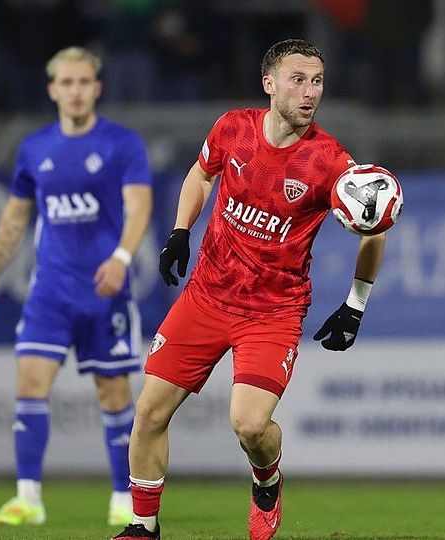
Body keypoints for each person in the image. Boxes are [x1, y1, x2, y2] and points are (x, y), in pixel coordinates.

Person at [113, 39, 387, 540]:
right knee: (149, 411)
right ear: (269, 84)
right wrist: (180, 231)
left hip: (272, 311)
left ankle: (267, 479)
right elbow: (201, 174)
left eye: (317, 82)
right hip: (207, 296)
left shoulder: (329, 162)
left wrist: (355, 305)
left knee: (250, 426)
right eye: (298, 80)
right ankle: (143, 527)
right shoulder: (232, 129)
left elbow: (375, 228)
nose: (310, 92)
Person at [0, 46, 153, 527]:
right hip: (49, 290)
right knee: (29, 383)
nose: (76, 91)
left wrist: (121, 258)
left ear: (98, 88)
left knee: (114, 393)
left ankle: (124, 498)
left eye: (84, 82)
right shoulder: (34, 149)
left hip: (104, 289)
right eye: (67, 83)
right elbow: (15, 218)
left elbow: (139, 207)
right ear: (52, 90)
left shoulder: (122, 144)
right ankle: (27, 498)